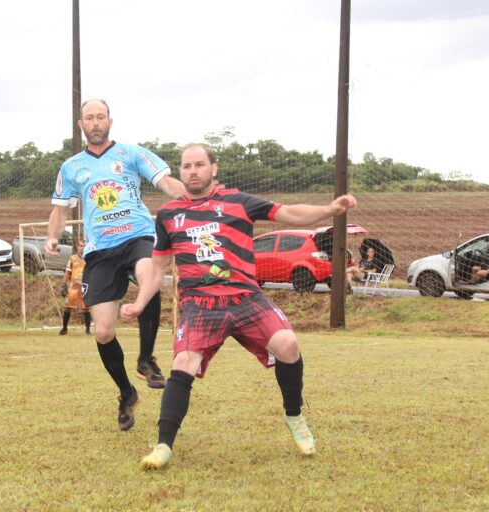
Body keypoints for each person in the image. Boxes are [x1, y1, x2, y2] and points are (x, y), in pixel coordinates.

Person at [120, 143, 358, 469]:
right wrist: (138, 302)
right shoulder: (168, 215)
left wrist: (329, 210)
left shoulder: (238, 202)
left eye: (199, 164)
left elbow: (286, 213)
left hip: (246, 298)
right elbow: (158, 267)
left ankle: (295, 416)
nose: (193, 171)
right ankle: (163, 446)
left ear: (213, 169)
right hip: (199, 305)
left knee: (288, 344)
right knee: (184, 362)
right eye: (187, 166)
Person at [45, 99, 186, 431]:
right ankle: (126, 392)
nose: (95, 122)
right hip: (100, 250)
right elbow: (60, 209)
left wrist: (195, 203)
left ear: (110, 121)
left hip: (138, 235)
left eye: (100, 117)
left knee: (149, 274)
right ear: (80, 124)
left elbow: (167, 183)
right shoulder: (71, 167)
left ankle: (146, 358)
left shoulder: (132, 153)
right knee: (105, 332)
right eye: (89, 118)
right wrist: (53, 237)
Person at [59, 240, 92, 336]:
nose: (82, 247)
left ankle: (88, 331)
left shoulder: (90, 258)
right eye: (81, 246)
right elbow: (67, 272)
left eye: (84, 246)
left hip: (85, 286)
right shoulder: (72, 258)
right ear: (78, 247)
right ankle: (64, 329)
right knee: (68, 307)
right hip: (73, 287)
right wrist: (64, 285)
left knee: (86, 308)